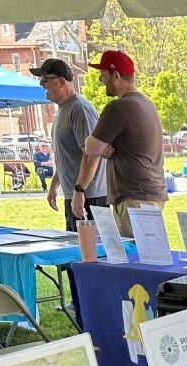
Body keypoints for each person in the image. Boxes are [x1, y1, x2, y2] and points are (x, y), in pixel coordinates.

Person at [75, 50, 167, 237]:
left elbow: (91, 148)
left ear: (116, 75)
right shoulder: (147, 104)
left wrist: (102, 146)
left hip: (133, 197)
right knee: (147, 258)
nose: (101, 80)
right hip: (148, 194)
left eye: (103, 74)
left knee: (137, 261)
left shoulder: (118, 107)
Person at [29, 58, 108, 231]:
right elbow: (68, 156)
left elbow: (91, 155)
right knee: (77, 251)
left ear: (61, 81)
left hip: (90, 197)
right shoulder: (64, 110)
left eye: (44, 79)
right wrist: (54, 185)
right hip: (75, 196)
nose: (42, 84)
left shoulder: (79, 109)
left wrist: (80, 191)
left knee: (91, 253)